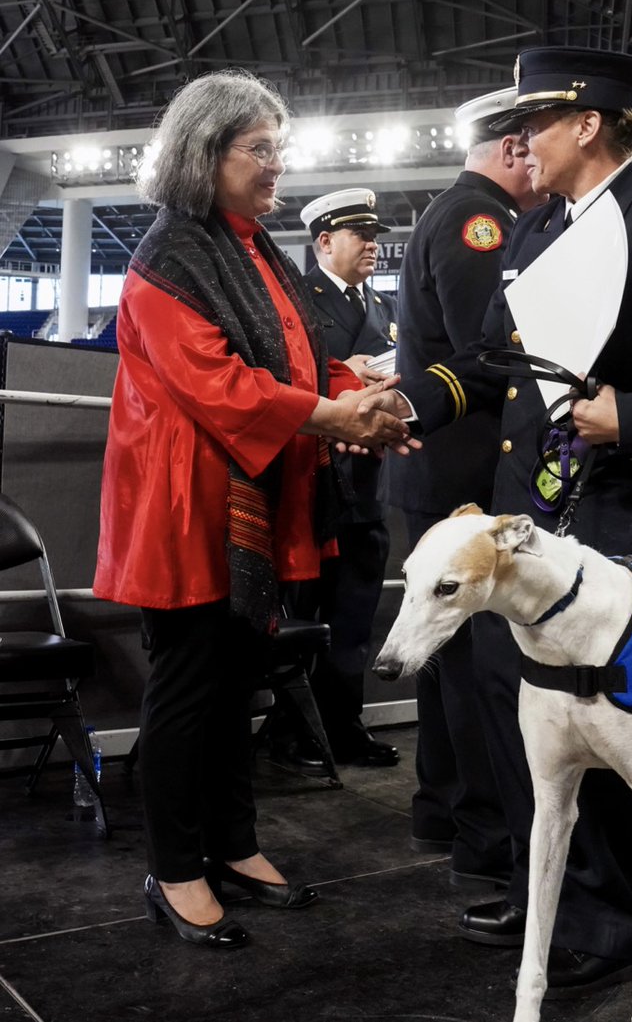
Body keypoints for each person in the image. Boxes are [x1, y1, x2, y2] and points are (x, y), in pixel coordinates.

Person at [380, 46, 632, 995]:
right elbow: (492, 362)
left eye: (536, 124)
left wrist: (628, 415)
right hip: (531, 522)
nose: (520, 143)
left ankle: (611, 917)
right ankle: (556, 888)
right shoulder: (538, 225)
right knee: (532, 723)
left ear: (589, 124)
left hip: (618, 518)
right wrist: (403, 406)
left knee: (613, 724)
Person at [93, 70, 414, 949]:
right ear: (206, 153)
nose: (277, 165)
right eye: (259, 149)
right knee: (190, 689)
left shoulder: (250, 243)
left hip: (244, 499)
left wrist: (368, 402)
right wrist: (332, 413)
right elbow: (219, 383)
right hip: (185, 506)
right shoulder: (167, 256)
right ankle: (174, 867)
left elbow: (304, 355)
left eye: (280, 148)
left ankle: (233, 846)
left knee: (235, 682)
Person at [390, 87, 542, 884]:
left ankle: (445, 809)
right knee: (482, 665)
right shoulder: (479, 221)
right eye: (537, 149)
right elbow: (495, 354)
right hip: (465, 475)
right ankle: (487, 834)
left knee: (449, 660)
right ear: (514, 148)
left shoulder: (455, 212)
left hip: (440, 470)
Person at [286, 188, 400, 768]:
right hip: (313, 484)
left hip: (366, 483)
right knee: (302, 614)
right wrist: (344, 374)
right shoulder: (298, 302)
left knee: (354, 616)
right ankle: (295, 731)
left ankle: (343, 726)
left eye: (376, 236)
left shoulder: (380, 308)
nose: (374, 246)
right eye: (362, 236)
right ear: (325, 242)